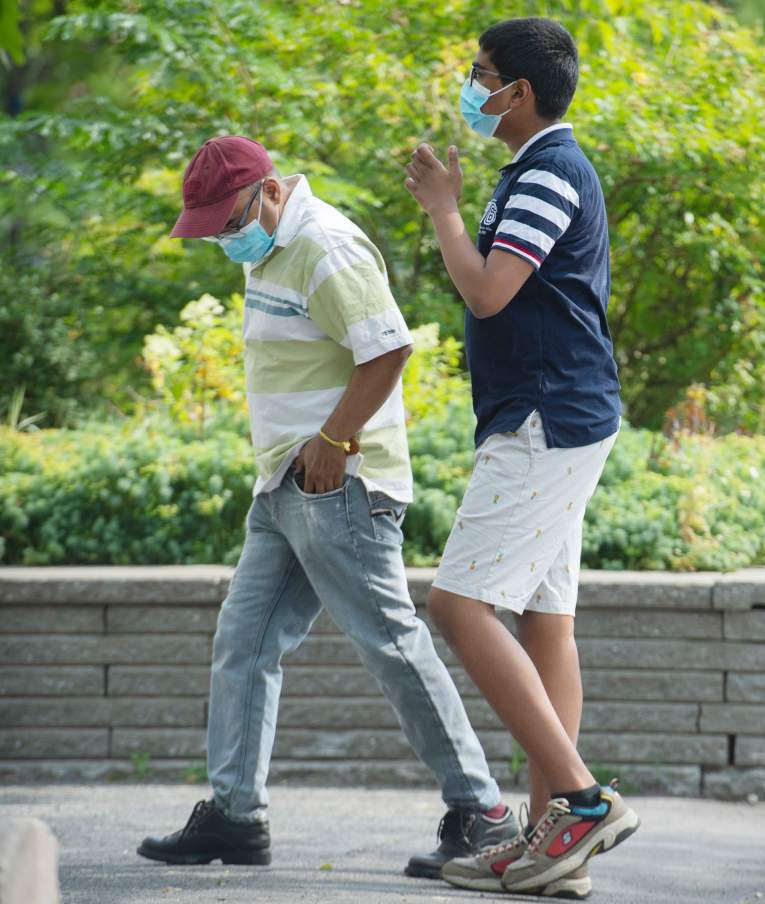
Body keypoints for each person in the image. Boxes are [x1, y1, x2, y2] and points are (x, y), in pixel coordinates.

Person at [137, 135, 515, 877]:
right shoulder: (269, 246)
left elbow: (388, 349)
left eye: (229, 218)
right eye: (211, 225)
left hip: (340, 483)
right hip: (285, 484)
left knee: (392, 645)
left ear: (270, 191)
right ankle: (236, 816)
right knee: (244, 644)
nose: (222, 235)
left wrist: (334, 441)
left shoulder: (325, 245)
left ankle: (484, 812)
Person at [403, 17, 638, 899]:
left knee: (457, 605)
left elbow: (490, 291)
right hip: (558, 412)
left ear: (520, 93)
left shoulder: (549, 172)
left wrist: (444, 211)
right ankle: (556, 849)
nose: (473, 87)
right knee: (545, 624)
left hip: (544, 418)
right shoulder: (539, 170)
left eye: (482, 74)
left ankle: (579, 802)